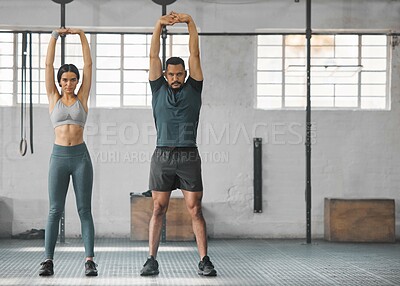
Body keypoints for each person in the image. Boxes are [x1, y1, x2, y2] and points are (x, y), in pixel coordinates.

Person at [140, 12, 217, 277]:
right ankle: (151, 259)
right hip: (162, 155)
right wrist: (158, 24)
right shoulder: (158, 89)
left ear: (185, 75)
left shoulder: (194, 89)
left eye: (179, 74)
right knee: (158, 208)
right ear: (165, 74)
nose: (175, 77)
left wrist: (190, 22)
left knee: (195, 209)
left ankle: (204, 260)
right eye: (171, 74)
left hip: (188, 156)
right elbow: (153, 57)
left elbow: (195, 55)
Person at [39, 28, 98, 277]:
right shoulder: (53, 96)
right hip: (59, 158)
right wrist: (54, 36)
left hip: (80, 159)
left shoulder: (82, 96)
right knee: (55, 210)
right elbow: (48, 63)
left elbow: (88, 64)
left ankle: (89, 260)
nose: (69, 84)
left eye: (73, 79)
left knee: (84, 210)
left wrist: (82, 35)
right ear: (59, 82)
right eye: (65, 80)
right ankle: (48, 260)